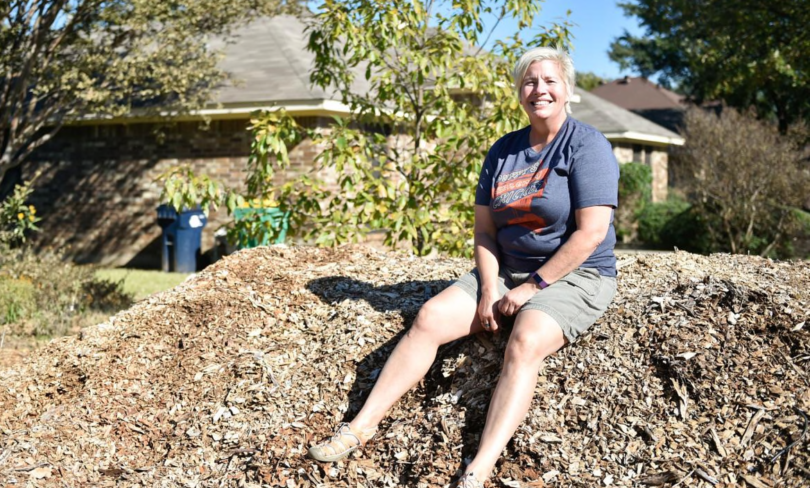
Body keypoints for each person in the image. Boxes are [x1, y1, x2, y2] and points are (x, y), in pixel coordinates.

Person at [308, 46, 619, 488]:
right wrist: (490, 287)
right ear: (519, 92)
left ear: (568, 89)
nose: (540, 90)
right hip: (507, 268)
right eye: (530, 82)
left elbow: (590, 234)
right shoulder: (503, 151)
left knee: (525, 340)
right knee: (431, 317)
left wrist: (530, 289)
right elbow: (485, 232)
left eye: (550, 81)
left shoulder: (587, 145)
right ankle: (360, 427)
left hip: (576, 273)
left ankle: (479, 467)